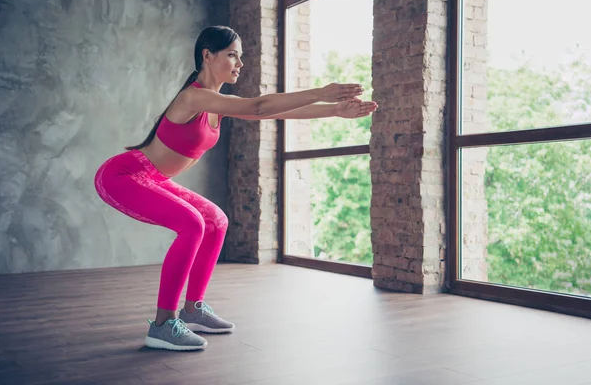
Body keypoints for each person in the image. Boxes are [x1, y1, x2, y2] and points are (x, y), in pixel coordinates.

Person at [93, 25, 378, 352]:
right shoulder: (194, 96)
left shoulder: (216, 104)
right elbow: (259, 106)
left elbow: (274, 112)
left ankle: (193, 310)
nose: (239, 64)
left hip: (151, 178)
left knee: (216, 221)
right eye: (232, 55)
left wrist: (335, 111)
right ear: (207, 56)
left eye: (240, 57)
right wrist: (320, 91)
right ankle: (162, 324)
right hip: (124, 175)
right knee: (192, 224)